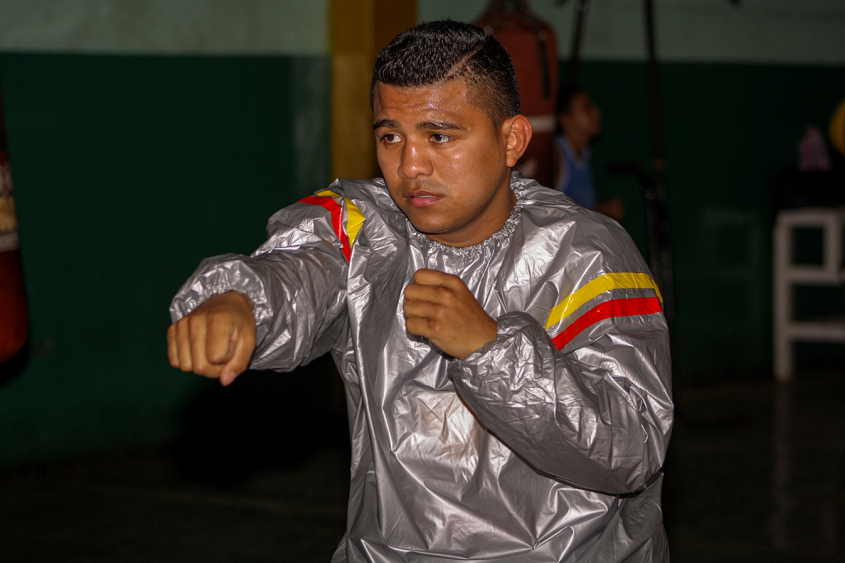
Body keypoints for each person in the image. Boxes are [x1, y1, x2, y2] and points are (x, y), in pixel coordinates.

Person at [167, 20, 672, 563]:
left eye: (439, 136)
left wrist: (490, 351)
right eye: (391, 137)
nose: (410, 165)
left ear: (511, 140)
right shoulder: (367, 229)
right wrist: (241, 302)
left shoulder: (589, 255)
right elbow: (300, 268)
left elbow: (633, 450)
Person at [554, 84, 625, 221]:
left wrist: (603, 209)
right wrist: (600, 210)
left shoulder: (584, 152)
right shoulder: (556, 155)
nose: (597, 113)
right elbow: (543, 210)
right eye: (587, 109)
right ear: (565, 119)